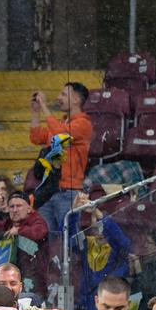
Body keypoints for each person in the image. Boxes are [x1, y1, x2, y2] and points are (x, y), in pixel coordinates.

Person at [30, 83, 92, 233]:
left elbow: (60, 134)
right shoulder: (60, 123)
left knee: (69, 237)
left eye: (64, 94)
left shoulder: (83, 124)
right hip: (49, 189)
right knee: (46, 236)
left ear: (76, 100)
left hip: (68, 191)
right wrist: (36, 112)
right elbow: (36, 137)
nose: (59, 97)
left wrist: (44, 106)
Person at [0, 192, 50, 296]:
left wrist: (19, 231)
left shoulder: (36, 220)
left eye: (19, 206)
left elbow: (40, 231)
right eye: (12, 207)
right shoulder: (7, 225)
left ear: (29, 209)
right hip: (8, 280)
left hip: (35, 283)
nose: (15, 210)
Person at [70, 192, 130, 310]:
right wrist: (73, 212)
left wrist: (97, 213)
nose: (101, 233)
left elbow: (123, 243)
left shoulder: (117, 248)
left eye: (103, 227)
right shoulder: (87, 245)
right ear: (91, 228)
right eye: (97, 228)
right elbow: (67, 238)